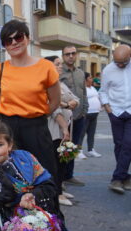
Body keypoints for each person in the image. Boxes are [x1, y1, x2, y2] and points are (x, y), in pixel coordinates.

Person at [0, 120, 83, 231]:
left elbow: (49, 185)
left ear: (9, 145)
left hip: (42, 220)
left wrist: (33, 195)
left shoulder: (25, 158)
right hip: (13, 230)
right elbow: (6, 197)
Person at [0, 20, 60, 181]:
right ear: (5, 46)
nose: (14, 42)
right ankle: (14, 206)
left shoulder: (46, 67)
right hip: (7, 128)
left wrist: (37, 116)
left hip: (36, 127)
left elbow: (55, 101)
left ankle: (46, 205)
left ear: (27, 38)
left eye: (19, 37)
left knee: (44, 171)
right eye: (8, 40)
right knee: (12, 173)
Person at [45, 56, 79, 206]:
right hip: (55, 129)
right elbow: (53, 107)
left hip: (66, 127)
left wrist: (70, 103)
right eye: (57, 64)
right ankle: (56, 194)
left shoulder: (60, 84)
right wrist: (64, 125)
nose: (60, 67)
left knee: (64, 159)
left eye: (60, 64)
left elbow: (75, 99)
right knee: (55, 162)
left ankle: (60, 189)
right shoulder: (46, 84)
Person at [99, 44, 131, 194]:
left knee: (128, 145)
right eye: (117, 61)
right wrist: (108, 108)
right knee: (119, 145)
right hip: (116, 112)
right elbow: (103, 91)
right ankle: (125, 178)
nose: (119, 65)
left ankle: (116, 179)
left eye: (123, 62)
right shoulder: (108, 70)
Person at [60, 45, 88, 184]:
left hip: (79, 117)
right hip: (65, 118)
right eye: (67, 54)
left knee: (74, 147)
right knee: (62, 147)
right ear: (63, 56)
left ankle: (69, 175)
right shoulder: (59, 73)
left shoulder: (81, 73)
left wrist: (84, 111)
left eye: (73, 53)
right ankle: (61, 177)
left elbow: (84, 93)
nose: (71, 56)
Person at [81, 72, 102, 158]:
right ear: (85, 80)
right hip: (86, 114)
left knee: (91, 133)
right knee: (82, 133)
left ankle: (91, 150)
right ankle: (79, 151)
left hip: (95, 114)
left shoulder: (93, 88)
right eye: (90, 78)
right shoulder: (83, 89)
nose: (92, 79)